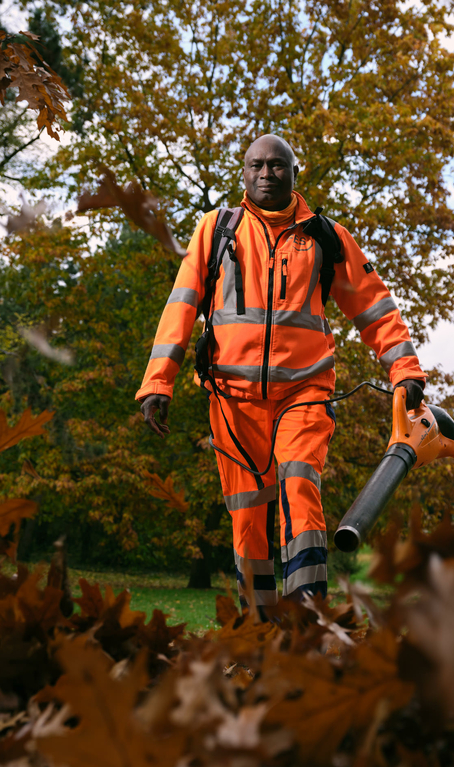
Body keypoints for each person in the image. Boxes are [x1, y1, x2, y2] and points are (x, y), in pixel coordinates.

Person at [136, 134, 426, 617]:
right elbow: (181, 307)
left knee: (299, 486)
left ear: (296, 172)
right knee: (248, 516)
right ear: (243, 174)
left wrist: (405, 367)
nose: (266, 174)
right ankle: (258, 623)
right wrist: (158, 382)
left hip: (305, 393)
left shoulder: (325, 236)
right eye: (256, 166)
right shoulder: (216, 230)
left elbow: (374, 305)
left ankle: (306, 617)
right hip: (232, 401)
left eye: (277, 165)